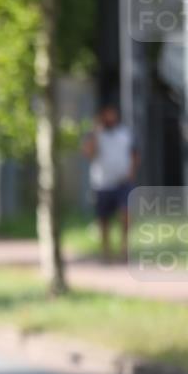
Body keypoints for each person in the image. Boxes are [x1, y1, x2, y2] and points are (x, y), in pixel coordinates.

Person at [83, 104, 139, 263]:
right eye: (106, 115)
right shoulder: (95, 135)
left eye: (112, 114)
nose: (109, 118)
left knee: (126, 213)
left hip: (123, 183)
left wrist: (131, 173)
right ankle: (106, 252)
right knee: (103, 220)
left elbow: (135, 153)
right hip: (102, 184)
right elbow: (88, 153)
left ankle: (124, 248)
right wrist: (95, 132)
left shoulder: (126, 134)